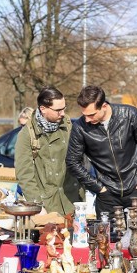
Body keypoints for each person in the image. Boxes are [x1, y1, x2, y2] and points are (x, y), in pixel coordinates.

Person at [65, 85, 137, 218]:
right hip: (106, 195)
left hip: (136, 189)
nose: (87, 119)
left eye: (91, 114)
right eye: (84, 115)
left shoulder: (129, 114)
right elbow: (72, 161)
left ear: (104, 106)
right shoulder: (80, 127)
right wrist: (99, 188)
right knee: (106, 237)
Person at [14, 87, 82, 215]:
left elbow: (80, 159)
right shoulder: (27, 134)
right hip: (47, 205)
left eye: (64, 108)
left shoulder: (67, 125)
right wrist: (36, 205)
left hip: (72, 201)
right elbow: (24, 174)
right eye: (58, 110)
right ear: (43, 109)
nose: (62, 113)